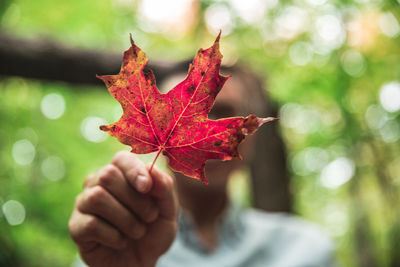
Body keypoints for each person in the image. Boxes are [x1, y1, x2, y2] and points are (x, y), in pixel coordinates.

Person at [68, 68, 336, 267]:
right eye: (180, 119)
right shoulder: (114, 245)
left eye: (226, 113)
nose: (207, 133)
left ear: (249, 141)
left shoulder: (306, 250)